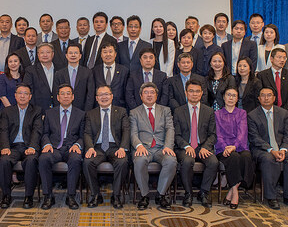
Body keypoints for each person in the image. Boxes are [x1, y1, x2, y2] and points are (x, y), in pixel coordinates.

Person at [247, 87, 288, 210]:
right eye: (263, 95)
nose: (266, 98)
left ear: (274, 98)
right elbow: (254, 138)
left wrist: (283, 150)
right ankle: (271, 197)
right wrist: (271, 150)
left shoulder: (283, 113)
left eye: (269, 95)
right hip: (262, 149)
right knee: (269, 159)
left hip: (282, 148)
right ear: (259, 98)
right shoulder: (252, 115)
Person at [130, 82, 177, 210]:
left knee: (171, 161)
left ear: (156, 95)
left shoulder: (165, 110)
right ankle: (144, 195)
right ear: (141, 96)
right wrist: (139, 145)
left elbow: (170, 129)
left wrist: (168, 146)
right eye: (146, 93)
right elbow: (133, 133)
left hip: (161, 148)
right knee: (139, 161)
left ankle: (161, 194)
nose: (149, 95)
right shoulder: (134, 112)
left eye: (152, 92)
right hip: (144, 148)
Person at [83, 85, 130, 209]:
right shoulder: (90, 114)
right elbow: (87, 133)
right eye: (101, 95)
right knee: (87, 162)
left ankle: (116, 195)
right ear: (96, 98)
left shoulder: (121, 112)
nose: (104, 97)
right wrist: (90, 147)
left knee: (122, 161)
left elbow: (126, 130)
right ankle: (95, 195)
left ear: (112, 96)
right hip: (97, 148)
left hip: (115, 147)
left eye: (106, 94)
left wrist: (122, 148)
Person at [39, 84, 85, 209]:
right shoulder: (49, 113)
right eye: (62, 94)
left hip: (71, 147)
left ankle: (71, 196)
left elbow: (83, 135)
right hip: (54, 148)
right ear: (58, 97)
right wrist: (47, 144)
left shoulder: (81, 114)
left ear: (73, 97)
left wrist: (77, 145)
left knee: (76, 159)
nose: (65, 96)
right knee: (43, 159)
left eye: (68, 93)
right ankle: (48, 196)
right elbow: (45, 133)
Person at [173, 79, 218, 207]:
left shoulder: (208, 111)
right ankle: (188, 193)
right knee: (187, 161)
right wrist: (186, 146)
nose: (194, 94)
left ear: (202, 93)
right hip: (184, 147)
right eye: (191, 91)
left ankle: (203, 192)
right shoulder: (178, 111)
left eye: (197, 91)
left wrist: (206, 147)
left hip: (202, 147)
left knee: (213, 162)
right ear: (186, 93)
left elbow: (213, 134)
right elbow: (176, 135)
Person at [0, 83, 43, 209]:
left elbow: (37, 130)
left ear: (30, 96)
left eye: (25, 94)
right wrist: (5, 147)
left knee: (31, 160)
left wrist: (32, 147)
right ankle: (6, 195)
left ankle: (28, 196)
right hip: (12, 147)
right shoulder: (7, 111)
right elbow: (3, 130)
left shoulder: (36, 111)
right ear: (15, 96)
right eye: (20, 93)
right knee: (4, 161)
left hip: (29, 146)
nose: (22, 96)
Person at [215, 88, 254, 209]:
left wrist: (235, 146)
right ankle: (235, 192)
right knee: (234, 157)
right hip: (223, 148)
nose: (231, 98)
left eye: (234, 96)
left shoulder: (242, 113)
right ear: (224, 97)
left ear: (237, 99)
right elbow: (217, 134)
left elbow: (243, 133)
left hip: (239, 146)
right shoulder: (217, 114)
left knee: (247, 156)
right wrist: (226, 147)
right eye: (228, 95)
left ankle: (232, 190)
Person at [54, 44, 95, 112]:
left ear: (80, 56)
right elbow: (56, 94)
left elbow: (90, 94)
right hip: (64, 110)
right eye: (70, 53)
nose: (73, 55)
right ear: (66, 55)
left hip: (83, 110)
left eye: (76, 53)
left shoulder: (88, 73)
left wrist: (87, 112)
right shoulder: (59, 74)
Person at [93, 42, 129, 109]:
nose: (108, 54)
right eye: (105, 52)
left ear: (115, 54)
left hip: (119, 108)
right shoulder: (94, 71)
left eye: (110, 52)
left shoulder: (124, 71)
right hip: (99, 108)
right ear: (101, 55)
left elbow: (126, 93)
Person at [23, 43, 57, 111]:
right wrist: (35, 112)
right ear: (38, 55)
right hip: (38, 110)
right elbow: (28, 92)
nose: (45, 55)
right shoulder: (30, 71)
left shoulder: (60, 69)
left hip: (57, 109)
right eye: (42, 53)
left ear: (53, 54)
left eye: (48, 52)